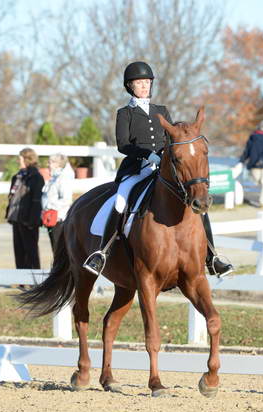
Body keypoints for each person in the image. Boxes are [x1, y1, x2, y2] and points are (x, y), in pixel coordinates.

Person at [83, 61, 233, 278]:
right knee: (121, 200)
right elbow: (123, 145)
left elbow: (173, 137)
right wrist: (147, 155)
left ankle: (212, 256)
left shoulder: (161, 110)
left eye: (147, 82)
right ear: (130, 86)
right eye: (139, 83)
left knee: (195, 202)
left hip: (164, 168)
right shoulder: (125, 113)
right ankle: (102, 252)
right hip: (137, 168)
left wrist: (167, 156)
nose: (144, 86)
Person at [6, 148, 44, 269]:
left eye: (20, 159)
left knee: (31, 251)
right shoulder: (17, 176)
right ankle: (20, 279)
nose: (18, 161)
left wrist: (32, 221)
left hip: (29, 220)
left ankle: (34, 280)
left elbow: (37, 201)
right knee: (19, 250)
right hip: (16, 218)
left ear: (27, 159)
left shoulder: (36, 177)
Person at [237, 120, 263, 207]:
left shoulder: (252, 137)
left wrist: (241, 161)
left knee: (257, 182)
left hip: (254, 165)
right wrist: (261, 160)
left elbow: (247, 151)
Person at [41, 153, 75, 251]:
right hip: (51, 218)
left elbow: (66, 199)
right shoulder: (54, 178)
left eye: (51, 162)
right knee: (54, 248)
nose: (48, 164)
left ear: (59, 164)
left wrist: (49, 206)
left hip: (59, 219)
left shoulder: (63, 178)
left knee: (58, 249)